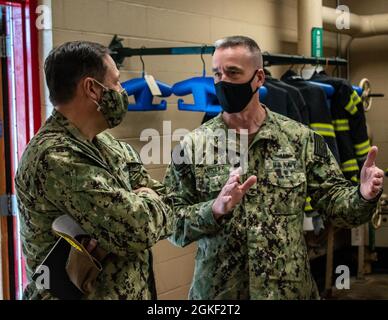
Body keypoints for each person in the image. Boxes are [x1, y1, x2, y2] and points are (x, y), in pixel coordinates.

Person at [164, 35, 384, 299]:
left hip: (288, 291)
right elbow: (170, 225)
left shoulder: (299, 139)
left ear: (258, 78)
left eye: (233, 73)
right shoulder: (192, 145)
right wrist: (213, 209)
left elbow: (336, 206)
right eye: (217, 73)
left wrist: (363, 195)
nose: (222, 82)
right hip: (220, 295)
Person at [15, 41, 173, 300]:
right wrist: (145, 201)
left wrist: (146, 203)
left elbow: (168, 201)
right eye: (116, 83)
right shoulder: (55, 157)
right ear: (92, 89)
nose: (122, 92)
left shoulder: (109, 145)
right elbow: (137, 228)